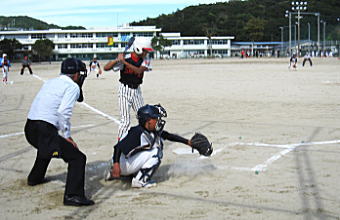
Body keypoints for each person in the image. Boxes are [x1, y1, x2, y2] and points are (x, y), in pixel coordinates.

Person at [24, 58, 94, 206]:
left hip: (30, 128)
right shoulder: (72, 87)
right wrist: (67, 136)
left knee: (48, 146)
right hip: (44, 130)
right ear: (75, 74)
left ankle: (35, 178)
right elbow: (63, 112)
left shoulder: (50, 82)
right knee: (78, 158)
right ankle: (73, 196)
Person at [106, 104, 193, 188]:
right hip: (120, 164)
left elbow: (168, 135)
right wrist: (116, 165)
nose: (159, 120)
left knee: (155, 146)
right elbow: (118, 147)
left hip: (124, 163)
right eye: (156, 118)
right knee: (156, 152)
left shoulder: (149, 130)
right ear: (148, 121)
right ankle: (140, 181)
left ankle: (130, 174)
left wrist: (188, 142)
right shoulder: (137, 132)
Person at [104, 37, 153, 140]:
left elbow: (139, 71)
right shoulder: (125, 58)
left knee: (143, 116)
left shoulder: (146, 60)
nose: (146, 53)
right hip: (124, 90)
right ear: (139, 49)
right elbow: (106, 68)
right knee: (125, 120)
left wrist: (124, 62)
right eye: (145, 51)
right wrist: (117, 60)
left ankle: (146, 139)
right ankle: (120, 144)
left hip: (137, 91)